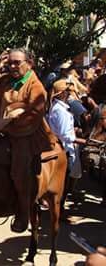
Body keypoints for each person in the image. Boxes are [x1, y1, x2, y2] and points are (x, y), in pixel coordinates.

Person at [0, 47, 57, 233]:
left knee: (19, 170)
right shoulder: (8, 80)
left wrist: (7, 125)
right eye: (10, 62)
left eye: (16, 62)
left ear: (29, 64)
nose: (12, 66)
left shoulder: (36, 86)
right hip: (1, 128)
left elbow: (34, 114)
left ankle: (23, 212)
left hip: (26, 133)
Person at [48, 80, 87, 212]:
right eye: (68, 92)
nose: (70, 95)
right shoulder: (61, 111)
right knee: (65, 184)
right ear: (63, 94)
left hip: (66, 147)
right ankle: (60, 211)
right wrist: (82, 141)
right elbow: (65, 136)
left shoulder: (58, 108)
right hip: (66, 150)